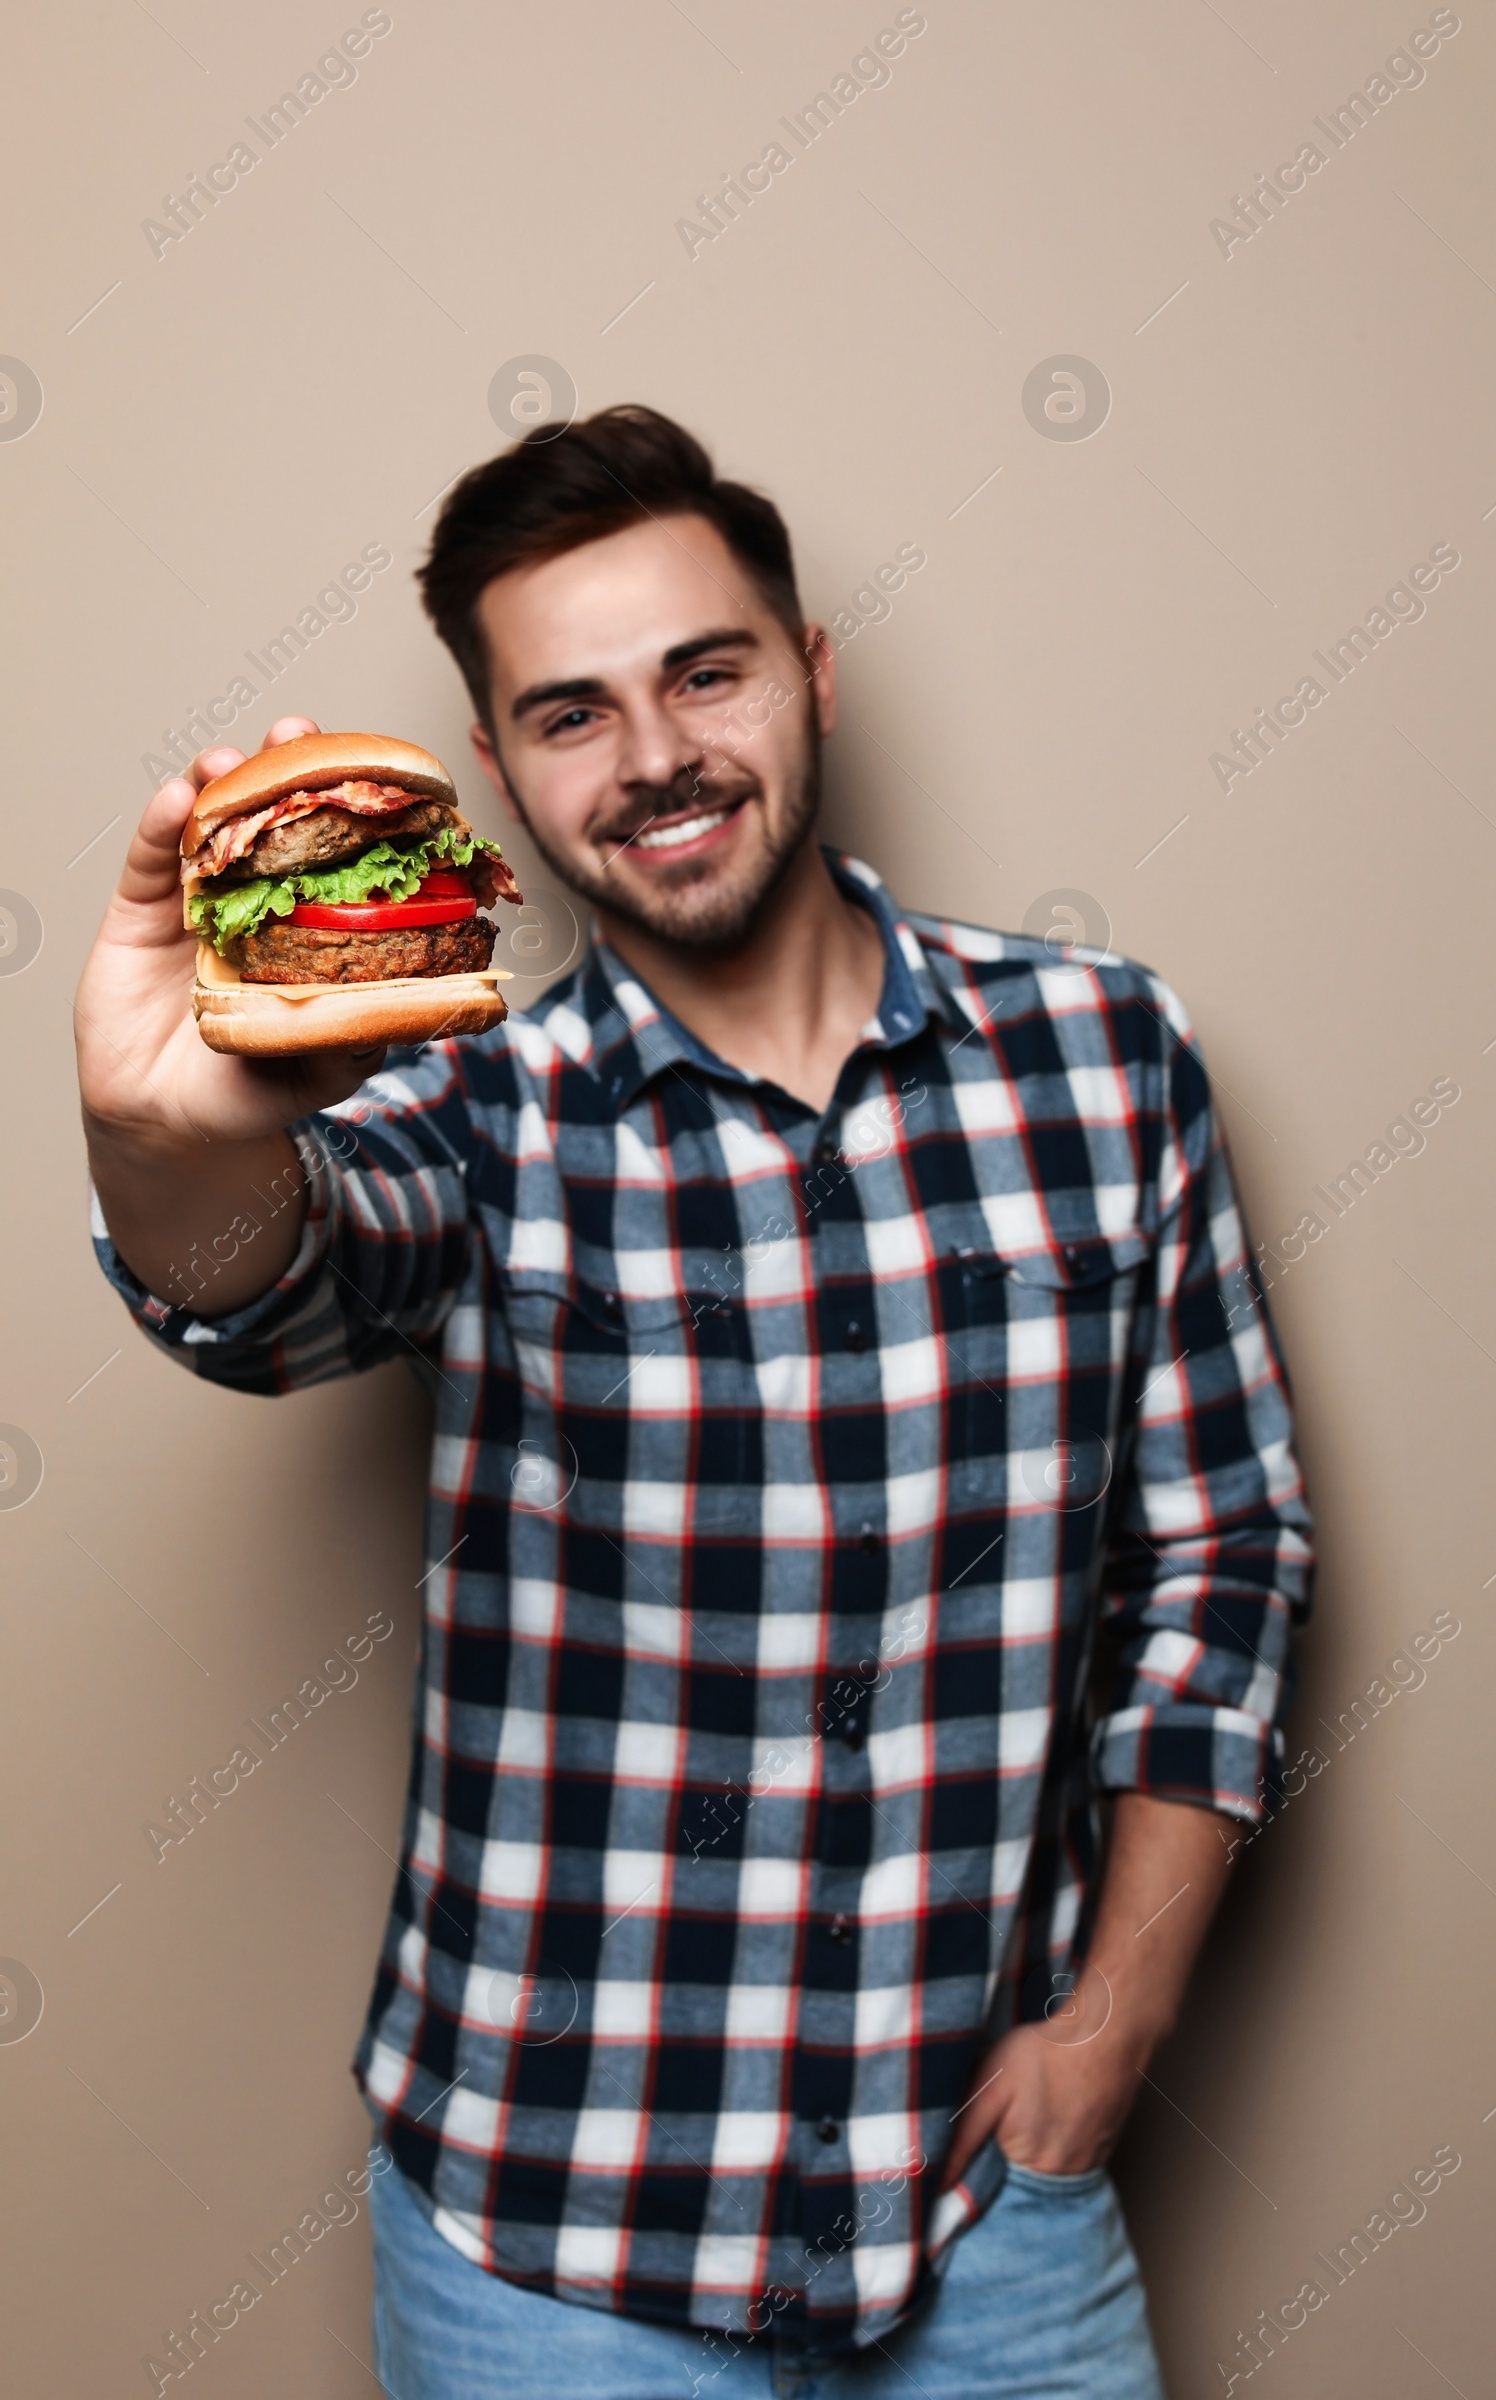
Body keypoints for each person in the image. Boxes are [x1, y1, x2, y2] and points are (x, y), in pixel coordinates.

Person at [76, 405, 1313, 2398]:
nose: (651, 757)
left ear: (810, 673)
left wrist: (1118, 2024)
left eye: (703, 673)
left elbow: (1222, 1548)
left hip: (986, 2225)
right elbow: (257, 1282)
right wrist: (155, 1138)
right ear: (498, 773)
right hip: (544, 2260)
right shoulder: (463, 1114)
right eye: (568, 715)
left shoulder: (1102, 1056)